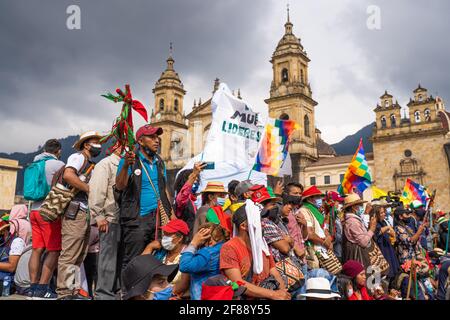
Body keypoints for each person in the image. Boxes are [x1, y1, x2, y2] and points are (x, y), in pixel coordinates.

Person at [116, 125, 173, 274]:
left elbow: (164, 189)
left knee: (155, 258)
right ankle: (127, 295)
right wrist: (125, 167)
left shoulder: (160, 162)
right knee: (133, 260)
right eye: (152, 137)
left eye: (157, 137)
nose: (157, 141)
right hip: (137, 219)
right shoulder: (129, 160)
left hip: (159, 219)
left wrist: (170, 215)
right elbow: (120, 186)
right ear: (140, 141)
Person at [56, 131, 102, 300]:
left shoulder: (89, 162)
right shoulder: (78, 158)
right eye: (95, 142)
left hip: (83, 212)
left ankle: (73, 291)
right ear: (86, 144)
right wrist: (90, 189)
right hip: (74, 211)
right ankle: (64, 293)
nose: (99, 145)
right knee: (70, 254)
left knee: (79, 254)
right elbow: (69, 175)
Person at [219, 203, 291, 300]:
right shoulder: (229, 248)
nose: (263, 223)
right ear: (243, 226)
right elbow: (238, 283)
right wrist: (273, 295)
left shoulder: (262, 245)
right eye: (258, 220)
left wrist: (283, 293)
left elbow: (273, 271)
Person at [28, 139, 65, 299]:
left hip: (33, 210)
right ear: (58, 151)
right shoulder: (58, 165)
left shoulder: (34, 163)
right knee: (54, 250)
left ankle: (32, 287)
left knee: (36, 249)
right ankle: (43, 289)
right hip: (49, 211)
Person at [256, 186, 304, 295]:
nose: (275, 207)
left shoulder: (272, 222)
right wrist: (288, 241)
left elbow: (289, 240)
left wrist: (289, 240)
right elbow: (285, 247)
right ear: (263, 207)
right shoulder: (265, 223)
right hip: (277, 269)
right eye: (272, 204)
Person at [88, 148, 121, 300]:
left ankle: (115, 290)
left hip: (123, 218)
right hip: (109, 217)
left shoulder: (125, 164)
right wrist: (99, 216)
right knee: (108, 258)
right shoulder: (105, 164)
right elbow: (96, 191)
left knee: (119, 257)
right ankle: (103, 294)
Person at [142, 219, 190, 298]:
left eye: (168, 234)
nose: (164, 237)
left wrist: (162, 295)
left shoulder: (187, 256)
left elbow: (183, 285)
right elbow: (141, 267)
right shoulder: (160, 253)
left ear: (180, 238)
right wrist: (149, 247)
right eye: (164, 233)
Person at [179, 222, 229, 300]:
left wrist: (193, 243)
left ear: (209, 241)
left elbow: (184, 265)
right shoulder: (225, 247)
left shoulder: (208, 253)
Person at [298, 186, 333, 269]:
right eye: (317, 197)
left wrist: (328, 238)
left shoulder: (316, 211)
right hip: (314, 250)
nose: (320, 199)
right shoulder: (304, 211)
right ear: (310, 199)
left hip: (322, 250)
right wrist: (325, 242)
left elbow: (323, 228)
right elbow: (309, 234)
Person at [342, 193, 376, 268]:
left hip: (358, 254)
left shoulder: (353, 219)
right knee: (367, 277)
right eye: (359, 205)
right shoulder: (353, 221)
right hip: (359, 256)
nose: (361, 207)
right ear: (354, 207)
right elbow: (363, 242)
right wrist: (371, 229)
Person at [0, 205, 32, 288]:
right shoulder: (28, 224)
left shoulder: (16, 242)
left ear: (4, 231)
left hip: (7, 279)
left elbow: (11, 267)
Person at [173, 162, 206, 240]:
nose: (196, 183)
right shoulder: (182, 201)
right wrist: (194, 174)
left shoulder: (196, 201)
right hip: (185, 240)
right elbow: (183, 195)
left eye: (197, 180)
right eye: (194, 180)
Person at [372, 205, 400, 279]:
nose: (384, 214)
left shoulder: (383, 222)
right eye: (381, 213)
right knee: (385, 272)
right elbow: (377, 233)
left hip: (387, 247)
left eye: (384, 212)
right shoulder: (374, 223)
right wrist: (388, 227)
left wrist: (390, 233)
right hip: (381, 250)